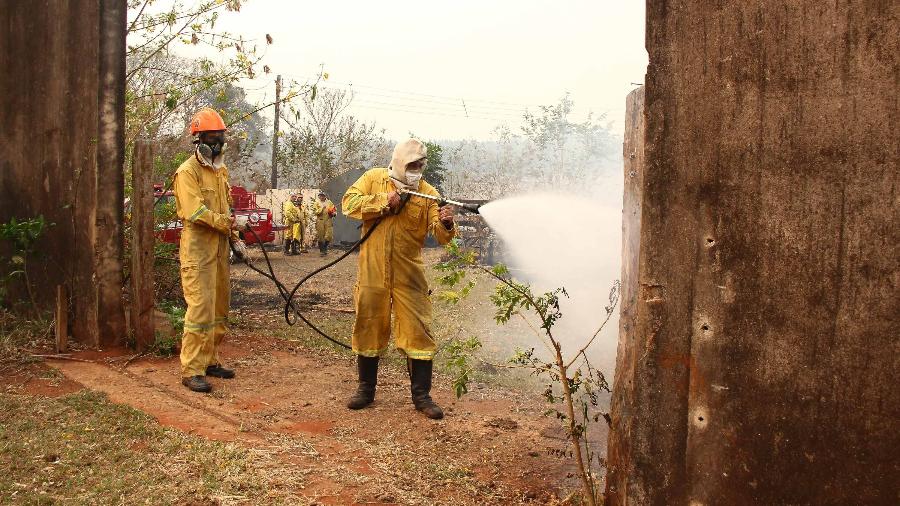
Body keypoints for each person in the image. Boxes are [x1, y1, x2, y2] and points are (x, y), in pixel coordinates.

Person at [341, 138, 456, 419]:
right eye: (412, 165)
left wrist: (446, 222)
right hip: (372, 271)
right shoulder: (373, 179)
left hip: (409, 275)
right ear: (400, 163)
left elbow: (441, 236)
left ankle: (422, 396)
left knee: (418, 330)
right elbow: (349, 204)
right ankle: (365, 390)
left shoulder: (428, 192)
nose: (417, 170)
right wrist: (384, 201)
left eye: (420, 165)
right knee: (369, 324)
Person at [173, 107, 246, 393]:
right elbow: (195, 212)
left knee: (218, 309)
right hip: (198, 252)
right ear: (198, 139)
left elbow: (225, 207)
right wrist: (225, 223)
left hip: (218, 252)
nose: (216, 144)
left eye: (219, 138)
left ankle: (210, 360)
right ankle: (191, 369)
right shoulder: (187, 172)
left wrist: (235, 238)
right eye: (210, 138)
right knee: (200, 310)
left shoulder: (220, 171)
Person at [314, 191, 335, 256]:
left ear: (325, 196)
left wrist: (333, 213)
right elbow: (315, 212)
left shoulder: (329, 202)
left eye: (322, 195)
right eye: (320, 196)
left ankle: (325, 247)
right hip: (320, 220)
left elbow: (334, 210)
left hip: (328, 220)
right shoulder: (316, 203)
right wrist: (321, 209)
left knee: (329, 235)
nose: (321, 197)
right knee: (320, 236)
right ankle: (322, 251)